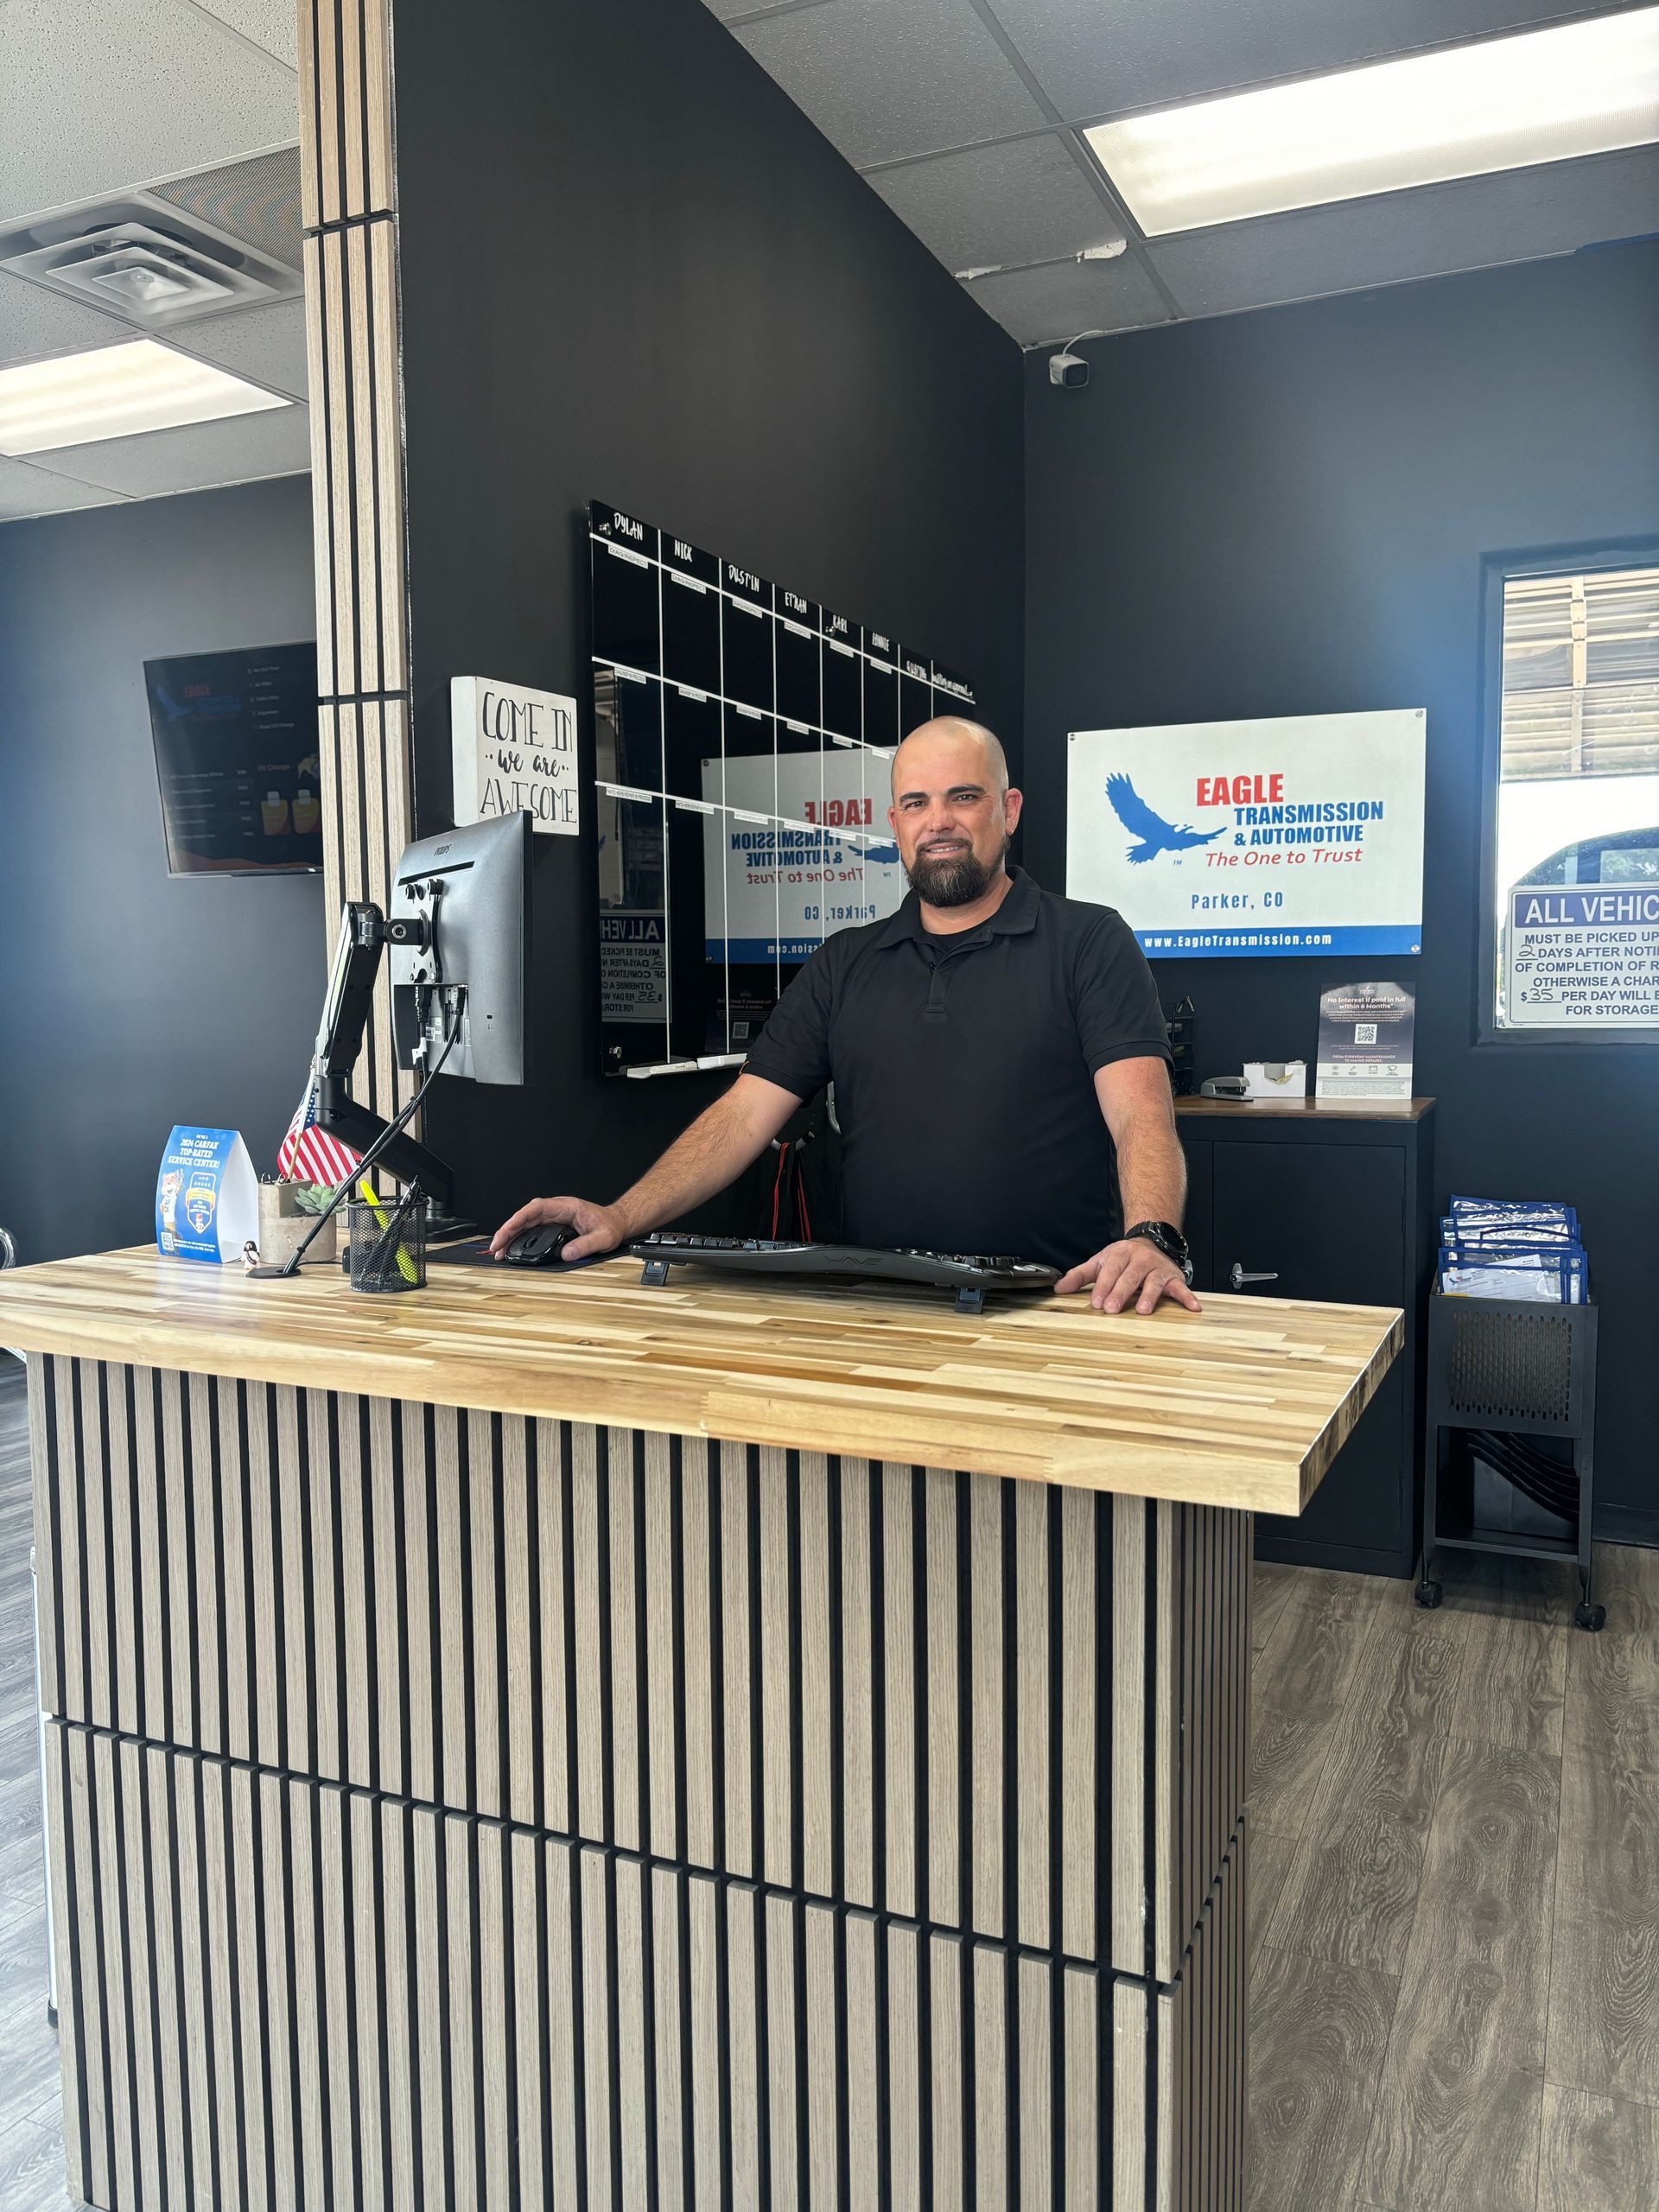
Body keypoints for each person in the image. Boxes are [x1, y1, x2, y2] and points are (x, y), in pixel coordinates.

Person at [492, 716, 1200, 1315]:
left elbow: (1142, 1115)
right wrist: (620, 1216)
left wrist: (1152, 1235)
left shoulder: (1088, 941)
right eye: (917, 804)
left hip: (1051, 1306)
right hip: (876, 1309)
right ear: (894, 824)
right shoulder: (844, 962)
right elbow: (742, 1118)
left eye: (963, 797)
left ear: (1008, 810)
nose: (939, 822)